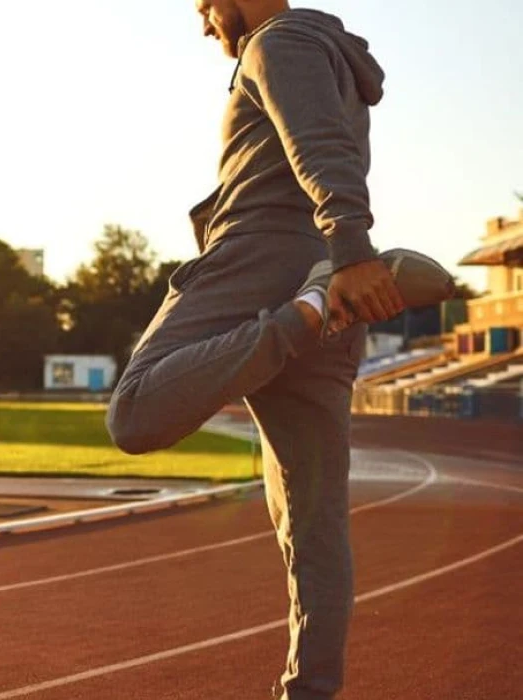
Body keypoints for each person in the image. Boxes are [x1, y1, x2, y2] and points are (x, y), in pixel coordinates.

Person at [107, 3, 457, 698]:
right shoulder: (327, 50)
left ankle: (309, 310)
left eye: (206, 6)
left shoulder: (279, 41)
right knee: (314, 525)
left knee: (135, 412)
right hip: (324, 271)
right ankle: (311, 692)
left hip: (262, 264)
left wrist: (351, 257)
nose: (205, 25)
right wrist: (340, 260)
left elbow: (317, 144)